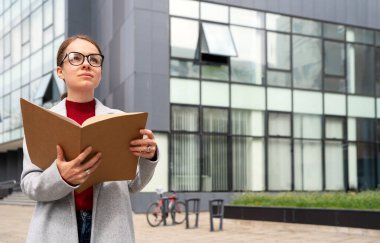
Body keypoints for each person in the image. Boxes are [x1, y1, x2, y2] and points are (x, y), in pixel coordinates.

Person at [21, 35, 159, 243]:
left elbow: (133, 184)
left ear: (100, 72)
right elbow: (29, 184)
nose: (87, 64)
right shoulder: (41, 122)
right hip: (54, 232)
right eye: (76, 58)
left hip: (111, 230)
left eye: (94, 60)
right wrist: (60, 177)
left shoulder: (120, 121)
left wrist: (149, 158)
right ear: (60, 71)